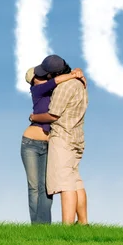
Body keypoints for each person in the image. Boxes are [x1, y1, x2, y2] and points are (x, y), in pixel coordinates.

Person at [20, 65, 85, 224]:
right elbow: (57, 79)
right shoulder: (39, 89)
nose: (44, 77)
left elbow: (64, 82)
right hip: (31, 144)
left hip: (50, 143)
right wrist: (74, 75)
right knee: (34, 187)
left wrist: (79, 75)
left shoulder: (57, 89)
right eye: (40, 76)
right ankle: (37, 225)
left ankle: (45, 226)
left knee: (47, 189)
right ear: (34, 81)